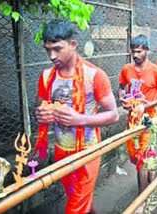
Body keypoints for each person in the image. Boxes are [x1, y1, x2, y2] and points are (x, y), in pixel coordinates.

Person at [33, 19, 119, 214]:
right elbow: (38, 109)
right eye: (47, 50)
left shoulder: (95, 75)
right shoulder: (46, 76)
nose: (51, 55)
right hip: (61, 150)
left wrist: (79, 119)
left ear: (73, 45)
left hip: (87, 152)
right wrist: (41, 114)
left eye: (57, 49)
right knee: (78, 199)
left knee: (74, 209)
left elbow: (113, 115)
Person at [118, 34, 157, 213]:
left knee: (142, 158)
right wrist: (122, 99)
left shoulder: (156, 71)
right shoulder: (126, 69)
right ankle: (150, 178)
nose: (135, 55)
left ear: (146, 50)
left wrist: (152, 104)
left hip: (149, 120)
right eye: (133, 51)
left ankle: (141, 199)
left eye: (139, 51)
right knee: (137, 156)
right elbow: (121, 87)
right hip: (132, 120)